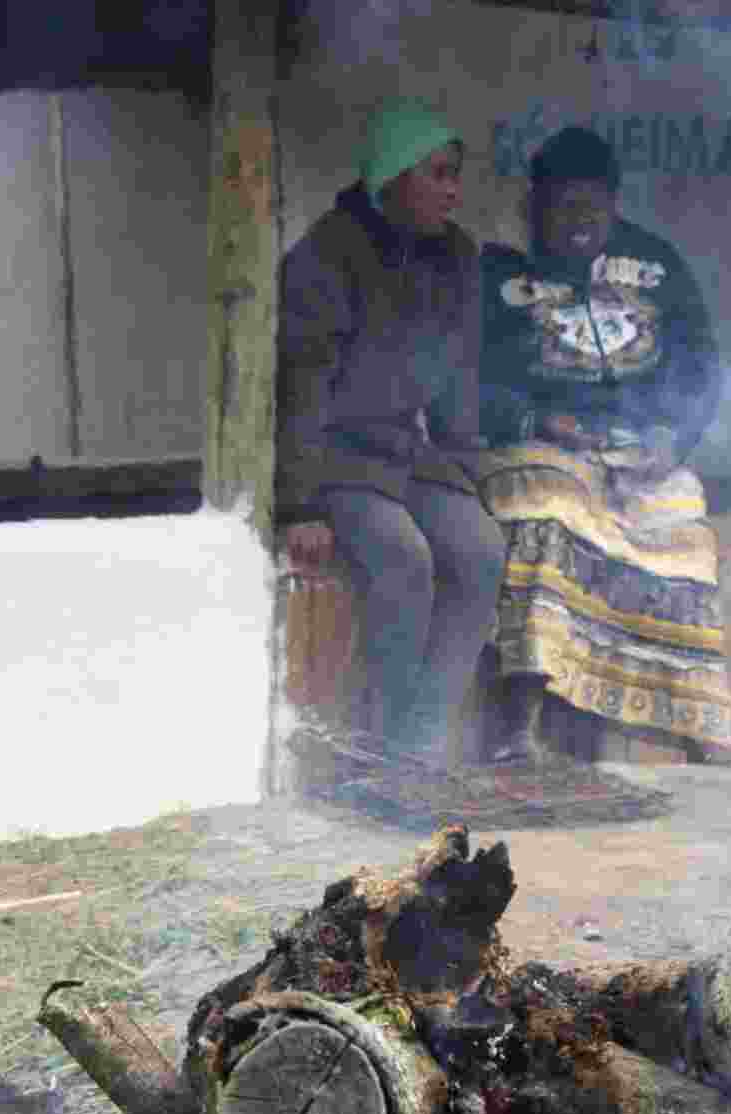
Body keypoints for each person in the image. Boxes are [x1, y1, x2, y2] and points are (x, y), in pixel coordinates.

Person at [478, 125, 731, 764]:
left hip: (634, 449)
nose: (579, 222)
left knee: (682, 521)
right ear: (535, 203)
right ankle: (521, 720)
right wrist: (535, 419)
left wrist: (672, 438)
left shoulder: (657, 264)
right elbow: (464, 376)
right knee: (548, 508)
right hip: (534, 442)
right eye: (564, 207)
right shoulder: (498, 269)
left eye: (593, 207)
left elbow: (701, 366)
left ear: (614, 204)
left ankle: (695, 724)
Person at [274, 98, 505, 767]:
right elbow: (300, 385)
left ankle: (417, 744)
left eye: (456, 175)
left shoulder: (455, 255)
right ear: (392, 176)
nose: (453, 190)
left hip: (406, 455)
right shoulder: (326, 254)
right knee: (405, 558)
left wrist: (468, 471)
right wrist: (301, 505)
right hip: (336, 459)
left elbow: (460, 375)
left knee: (482, 549)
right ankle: (378, 756)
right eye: (438, 174)